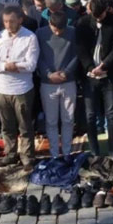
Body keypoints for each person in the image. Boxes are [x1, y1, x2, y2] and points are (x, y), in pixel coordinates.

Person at [0, 5, 40, 170]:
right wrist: (5, 66)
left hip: (22, 89)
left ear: (20, 20)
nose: (8, 25)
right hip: (2, 89)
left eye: (11, 21)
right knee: (7, 125)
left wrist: (15, 66)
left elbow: (31, 64)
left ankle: (27, 156)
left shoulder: (30, 37)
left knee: (24, 125)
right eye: (5, 21)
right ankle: (10, 153)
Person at [77, 0, 113, 156]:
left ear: (107, 10)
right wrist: (91, 68)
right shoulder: (83, 23)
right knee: (90, 115)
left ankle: (112, 150)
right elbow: (81, 49)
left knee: (111, 115)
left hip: (108, 75)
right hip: (89, 76)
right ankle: (94, 151)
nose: (98, 18)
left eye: (101, 15)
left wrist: (104, 66)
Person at [36, 10, 78, 159]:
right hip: (48, 83)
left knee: (68, 119)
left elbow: (77, 54)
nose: (58, 33)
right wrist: (48, 74)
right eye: (55, 29)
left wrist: (66, 72)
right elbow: (38, 57)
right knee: (51, 121)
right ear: (49, 23)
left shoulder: (72, 32)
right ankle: (54, 154)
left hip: (68, 81)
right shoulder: (40, 34)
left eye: (61, 29)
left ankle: (66, 152)